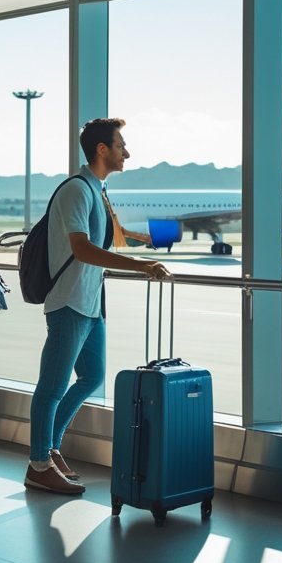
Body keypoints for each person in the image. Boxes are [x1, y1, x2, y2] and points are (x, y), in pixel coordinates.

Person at [24, 118, 171, 495]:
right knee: (52, 387)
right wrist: (142, 267)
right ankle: (38, 464)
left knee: (92, 377)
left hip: (91, 305)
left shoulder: (98, 190)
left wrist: (147, 242)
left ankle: (50, 449)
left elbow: (109, 239)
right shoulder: (77, 189)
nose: (127, 151)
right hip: (69, 302)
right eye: (122, 144)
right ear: (102, 149)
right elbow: (82, 248)